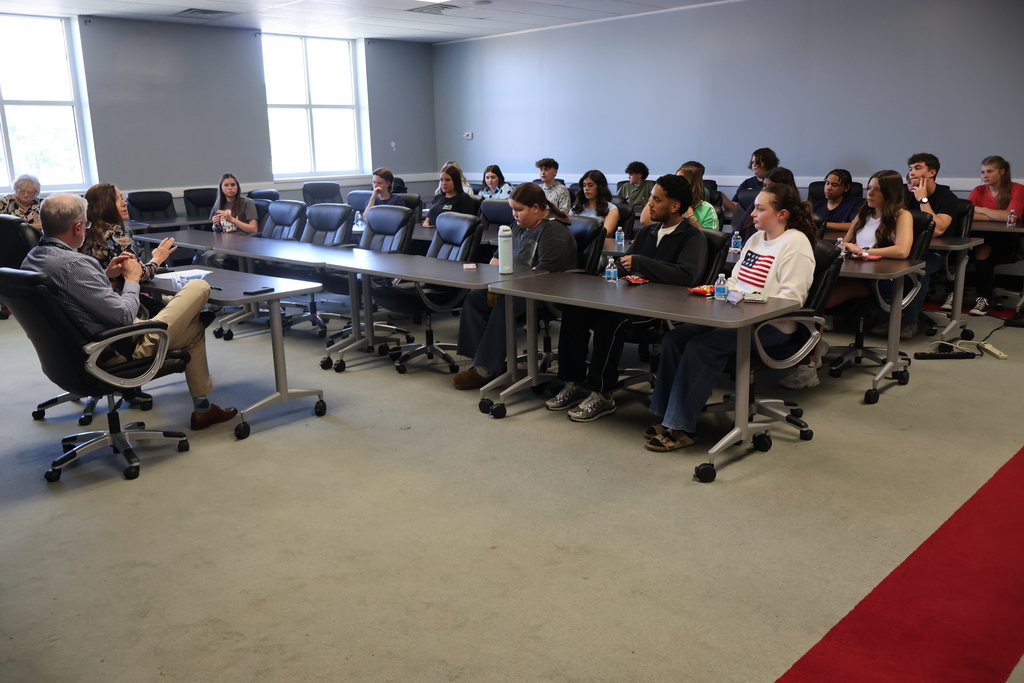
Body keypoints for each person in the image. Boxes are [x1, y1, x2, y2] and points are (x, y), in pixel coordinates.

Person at [22, 194, 237, 431]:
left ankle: (203, 410)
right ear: (77, 227)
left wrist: (105, 277)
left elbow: (69, 296)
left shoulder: (33, 260)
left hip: (70, 355)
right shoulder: (75, 265)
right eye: (86, 224)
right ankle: (190, 322)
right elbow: (123, 316)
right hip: (119, 348)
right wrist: (132, 279)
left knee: (193, 331)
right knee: (199, 286)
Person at [645, 183, 816, 452]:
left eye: (760, 209)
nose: (753, 214)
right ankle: (667, 416)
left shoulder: (795, 243)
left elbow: (793, 299)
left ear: (782, 214)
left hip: (769, 325)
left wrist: (746, 302)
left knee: (701, 347)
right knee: (676, 338)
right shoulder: (757, 238)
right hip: (737, 315)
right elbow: (736, 279)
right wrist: (723, 295)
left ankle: (681, 427)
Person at [548, 174, 708, 422]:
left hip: (657, 312)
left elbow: (686, 276)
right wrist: (610, 273)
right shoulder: (649, 232)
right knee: (575, 310)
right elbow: (626, 265)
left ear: (675, 206)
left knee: (610, 320)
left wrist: (641, 263)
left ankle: (602, 392)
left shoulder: (693, 238)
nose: (649, 204)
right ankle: (575, 381)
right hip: (628, 300)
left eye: (656, 199)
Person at [779, 170, 912, 389]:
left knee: (817, 301)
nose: (870, 193)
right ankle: (814, 347)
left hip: (879, 279)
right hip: (854, 271)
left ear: (890, 192)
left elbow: (903, 250)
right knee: (810, 293)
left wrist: (864, 250)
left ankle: (809, 367)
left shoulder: (901, 215)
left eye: (877, 189)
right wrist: (846, 248)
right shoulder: (864, 213)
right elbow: (844, 242)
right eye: (869, 187)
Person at [452, 183, 577, 390]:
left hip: (546, 294)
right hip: (514, 288)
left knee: (504, 304)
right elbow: (497, 259)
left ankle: (485, 369)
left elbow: (544, 277)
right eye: (513, 209)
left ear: (536, 208)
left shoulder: (553, 232)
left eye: (519, 210)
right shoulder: (518, 225)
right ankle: (481, 361)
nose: (514, 214)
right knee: (475, 298)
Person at [899, 153, 958, 336]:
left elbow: (938, 229)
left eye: (917, 168)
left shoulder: (947, 197)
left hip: (936, 254)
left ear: (932, 172)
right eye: (910, 169)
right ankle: (886, 318)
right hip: (906, 249)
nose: (912, 173)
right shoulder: (905, 193)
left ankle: (909, 323)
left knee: (918, 272)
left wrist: (923, 200)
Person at [81, 183, 177, 285]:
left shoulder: (87, 232)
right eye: (118, 199)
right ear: (105, 205)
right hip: (120, 296)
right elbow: (139, 275)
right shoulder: (114, 233)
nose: (124, 203)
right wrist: (158, 258)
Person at [965, 156, 1024, 316]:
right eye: (983, 172)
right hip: (980, 237)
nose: (985, 175)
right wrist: (996, 214)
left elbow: (1011, 217)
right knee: (966, 246)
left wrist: (982, 210)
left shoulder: (1017, 189)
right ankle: (952, 294)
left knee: (982, 250)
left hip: (1008, 241)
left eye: (990, 171)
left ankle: (983, 298)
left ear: (1002, 172)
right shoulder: (979, 190)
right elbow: (968, 213)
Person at [638, 161, 719, 230]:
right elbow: (645, 220)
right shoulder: (667, 203)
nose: (676, 182)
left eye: (680, 179)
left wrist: (691, 218)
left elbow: (710, 242)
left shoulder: (707, 209)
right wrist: (655, 196)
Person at [732, 167, 797, 246]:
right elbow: (738, 232)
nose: (765, 190)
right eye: (764, 186)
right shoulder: (755, 206)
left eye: (771, 187)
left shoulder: (794, 212)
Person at [722, 147, 778, 212]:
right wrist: (722, 196)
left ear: (768, 163)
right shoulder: (747, 183)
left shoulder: (777, 182)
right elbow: (734, 206)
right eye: (753, 162)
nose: (754, 165)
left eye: (758, 162)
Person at [570, 170, 620, 236]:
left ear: (600, 187)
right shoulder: (576, 207)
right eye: (584, 185)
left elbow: (606, 233)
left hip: (598, 245)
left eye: (590, 185)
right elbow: (566, 228)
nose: (586, 188)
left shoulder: (611, 209)